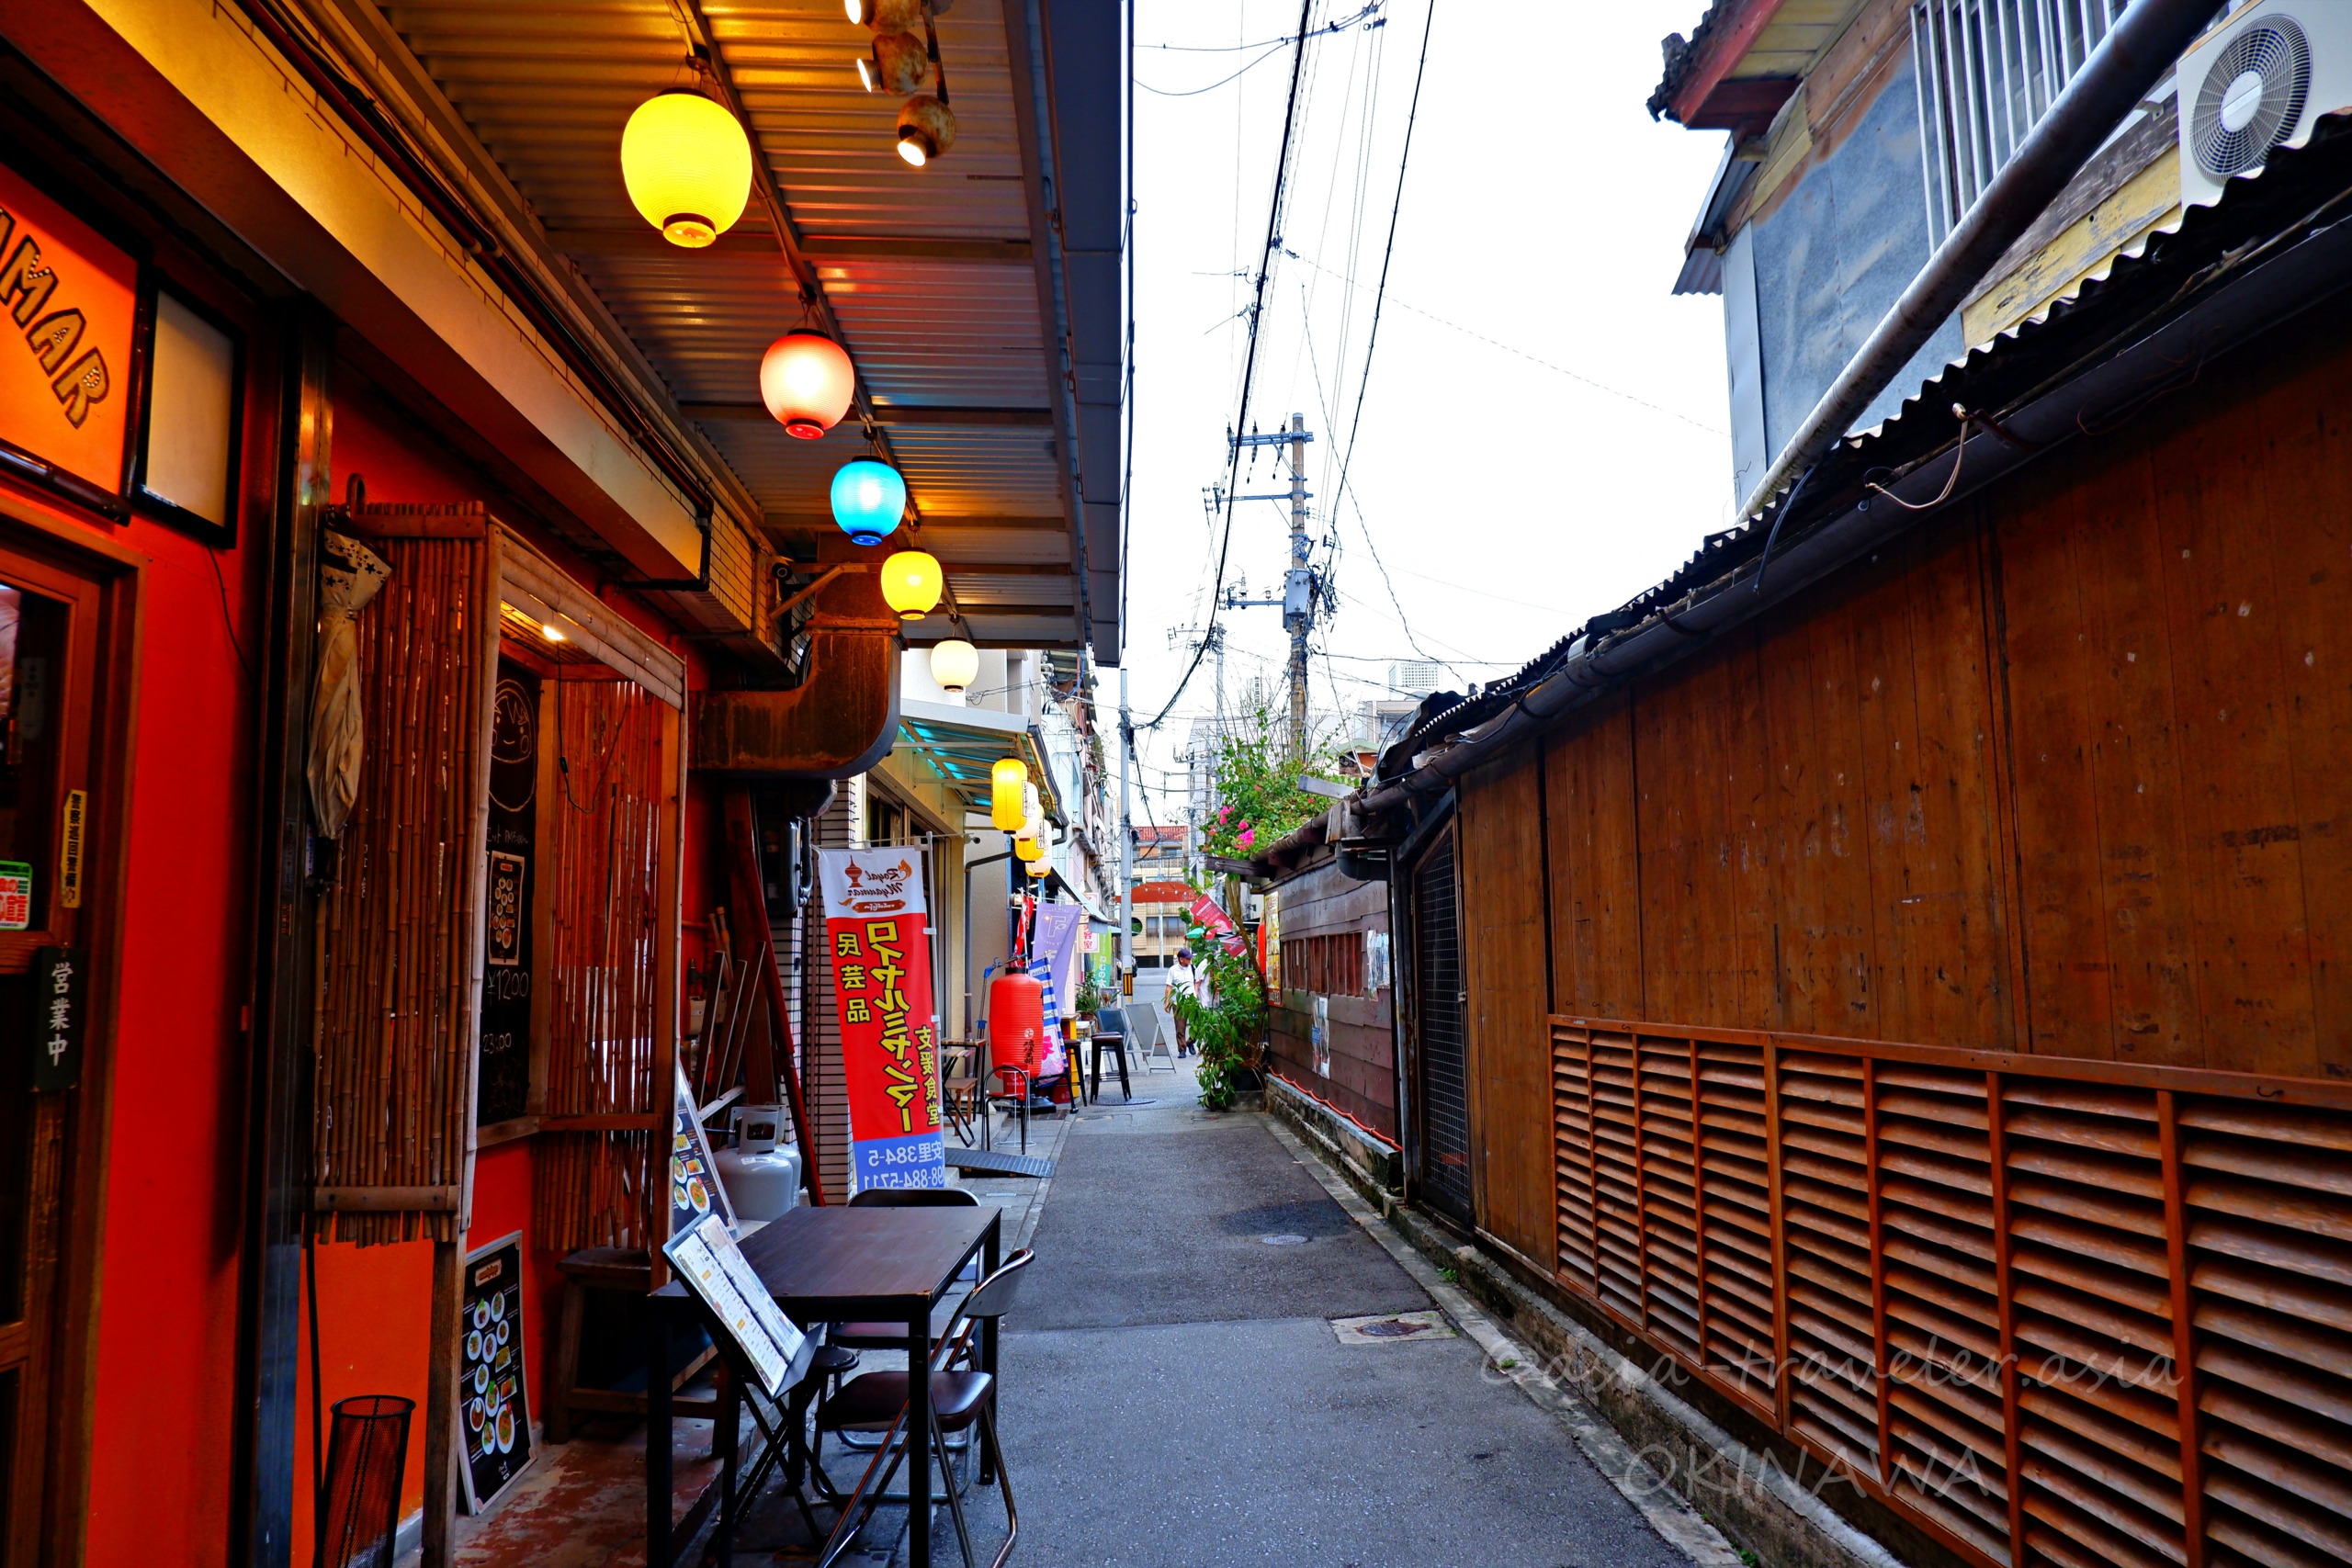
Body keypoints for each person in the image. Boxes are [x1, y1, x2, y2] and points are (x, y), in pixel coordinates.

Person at [1169, 947, 1201, 1056]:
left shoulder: (1192, 968)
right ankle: (1182, 1050)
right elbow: (1168, 987)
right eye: (1188, 959)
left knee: (1197, 1026)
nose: (1190, 960)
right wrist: (1167, 1002)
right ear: (1181, 959)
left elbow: (1196, 983)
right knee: (1180, 1028)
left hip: (1192, 1002)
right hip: (1179, 1003)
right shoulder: (1172, 970)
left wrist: (1197, 997)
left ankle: (1190, 1043)